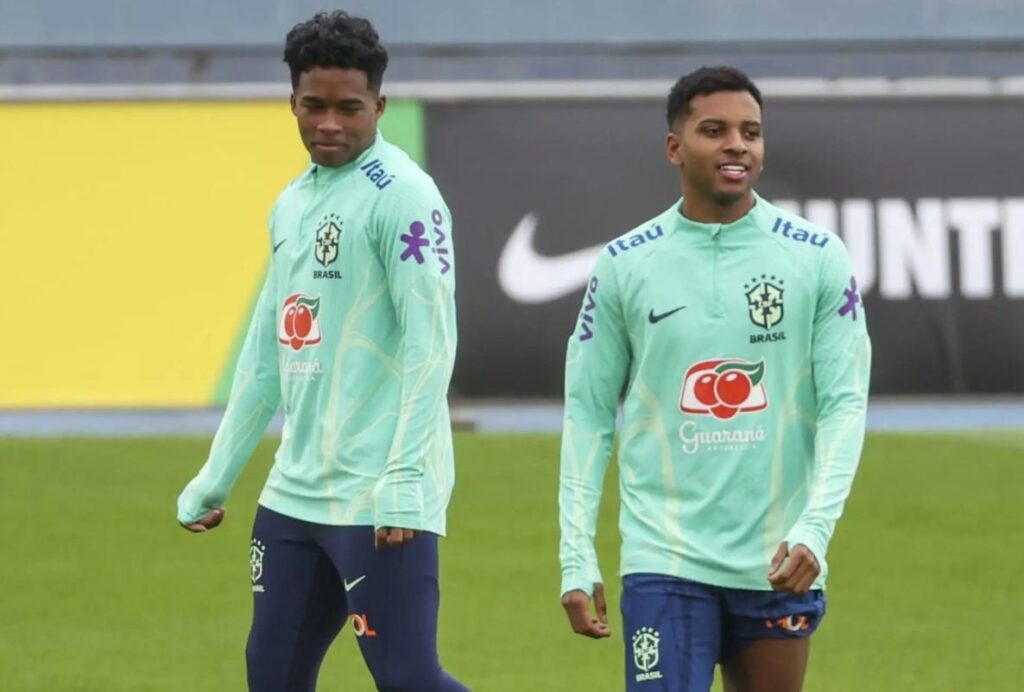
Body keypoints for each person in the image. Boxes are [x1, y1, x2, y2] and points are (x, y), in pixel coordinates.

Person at [176, 11, 467, 692]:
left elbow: (432, 343)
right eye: (314, 106)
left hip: (379, 496)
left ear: (379, 106)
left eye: (349, 108)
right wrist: (215, 477)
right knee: (271, 673)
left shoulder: (406, 197)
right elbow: (266, 357)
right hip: (295, 493)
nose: (329, 124)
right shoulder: (291, 204)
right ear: (292, 103)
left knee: (407, 679)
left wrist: (403, 479)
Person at [558, 65, 871, 692]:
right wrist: (575, 551)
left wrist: (815, 529)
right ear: (675, 147)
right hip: (663, 557)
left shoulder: (817, 256)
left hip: (777, 559)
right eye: (715, 130)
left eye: (750, 132)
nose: (737, 145)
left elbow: (845, 402)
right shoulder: (625, 263)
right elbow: (588, 412)